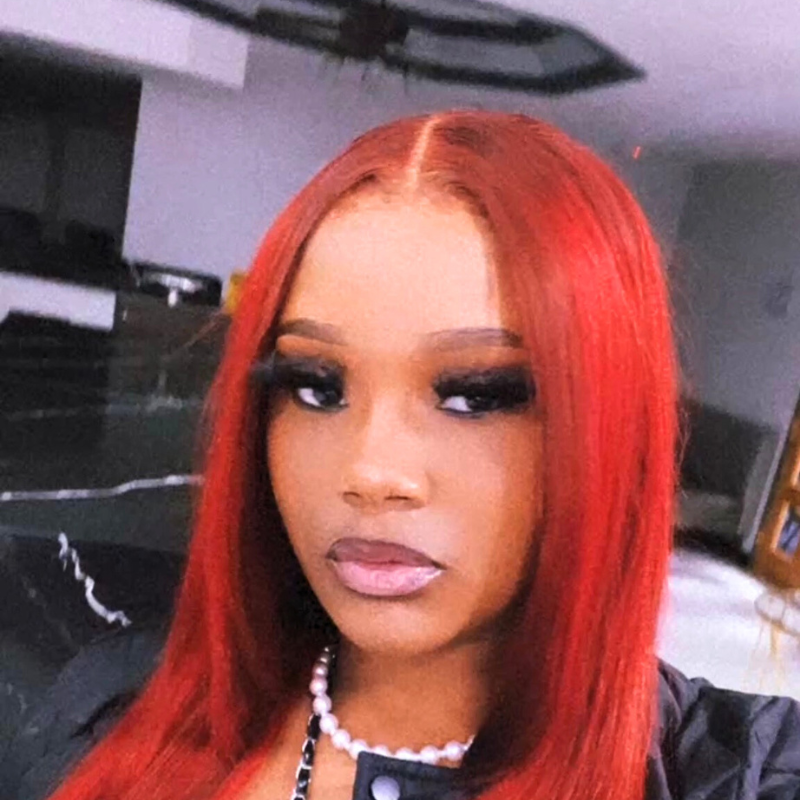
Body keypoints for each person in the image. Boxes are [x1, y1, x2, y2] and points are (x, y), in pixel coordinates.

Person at [15, 110, 800, 800]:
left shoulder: (741, 773)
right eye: (315, 386)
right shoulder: (118, 703)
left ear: (609, 425)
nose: (371, 473)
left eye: (477, 395)